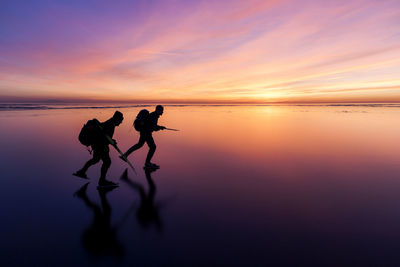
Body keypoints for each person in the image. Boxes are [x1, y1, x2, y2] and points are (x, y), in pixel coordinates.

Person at [74, 111, 124, 187]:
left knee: (96, 160)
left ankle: (82, 172)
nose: (120, 123)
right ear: (117, 119)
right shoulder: (111, 125)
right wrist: (111, 142)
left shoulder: (110, 122)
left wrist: (111, 141)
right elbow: (104, 138)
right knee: (107, 162)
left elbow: (105, 136)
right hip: (99, 146)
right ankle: (102, 181)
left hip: (96, 144)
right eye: (120, 121)